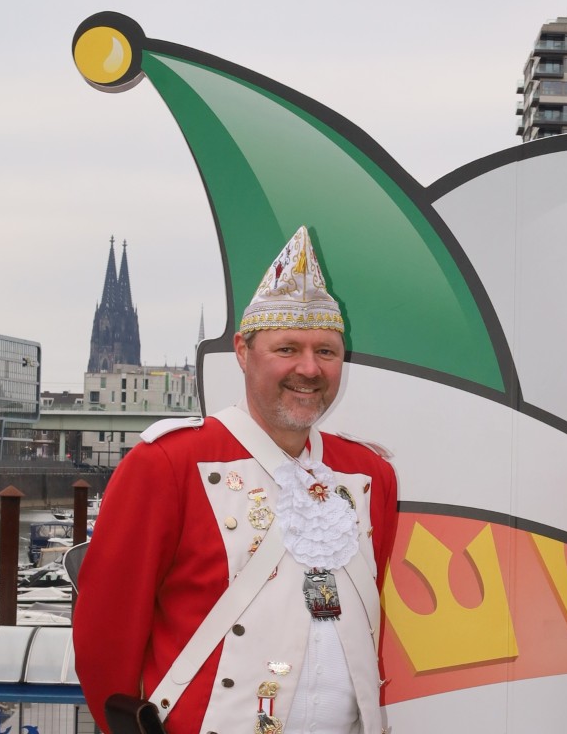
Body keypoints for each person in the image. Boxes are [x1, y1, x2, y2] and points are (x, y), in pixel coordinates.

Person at [74, 226, 398, 734]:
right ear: (243, 352)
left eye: (326, 352)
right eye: (287, 349)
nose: (309, 369)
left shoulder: (370, 474)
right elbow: (106, 636)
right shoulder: (167, 463)